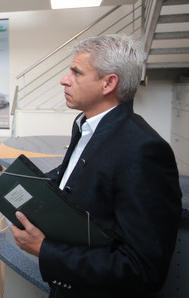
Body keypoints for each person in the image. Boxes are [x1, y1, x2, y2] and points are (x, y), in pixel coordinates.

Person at [10, 34, 182, 298]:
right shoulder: (85, 125)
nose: (64, 79)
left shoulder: (144, 150)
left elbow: (142, 269)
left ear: (108, 83)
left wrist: (45, 250)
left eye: (76, 72)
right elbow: (76, 177)